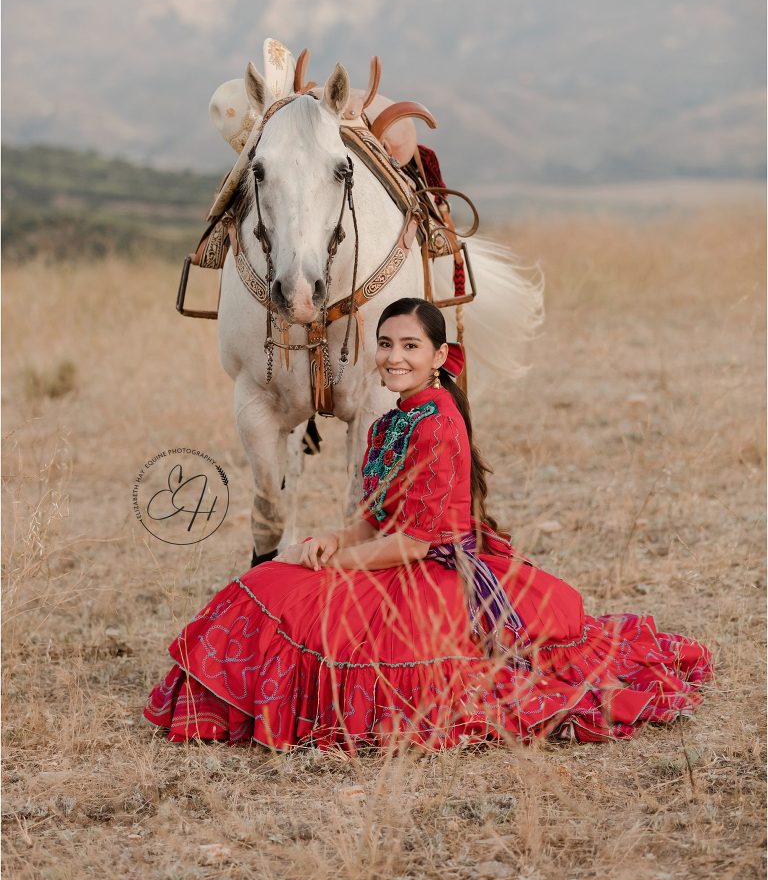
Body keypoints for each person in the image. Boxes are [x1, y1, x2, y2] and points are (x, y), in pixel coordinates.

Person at [144, 297, 711, 750]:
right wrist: (332, 541)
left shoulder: (436, 426)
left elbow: (415, 543)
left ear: (440, 355)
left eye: (411, 346)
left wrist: (335, 566)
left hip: (433, 572)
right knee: (270, 584)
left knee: (285, 592)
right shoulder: (397, 418)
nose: (395, 356)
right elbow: (373, 519)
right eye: (386, 344)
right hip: (393, 553)